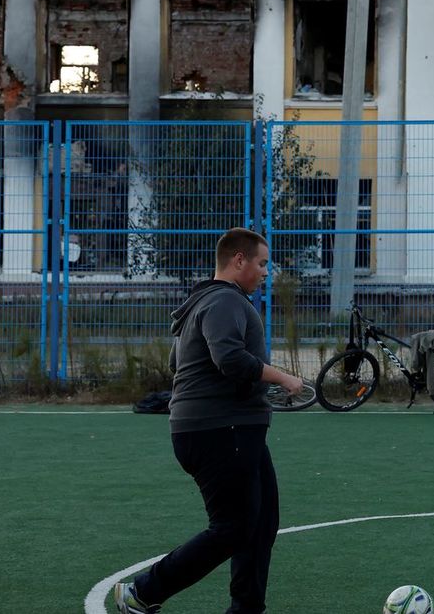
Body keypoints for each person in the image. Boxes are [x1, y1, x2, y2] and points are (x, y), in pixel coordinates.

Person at [115, 228, 306, 614]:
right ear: (239, 260)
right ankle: (144, 591)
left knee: (262, 522)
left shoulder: (205, 301)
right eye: (262, 263)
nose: (266, 272)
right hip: (221, 431)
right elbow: (229, 359)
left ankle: (246, 609)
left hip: (227, 428)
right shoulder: (224, 301)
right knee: (234, 528)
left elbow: (179, 364)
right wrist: (281, 377)